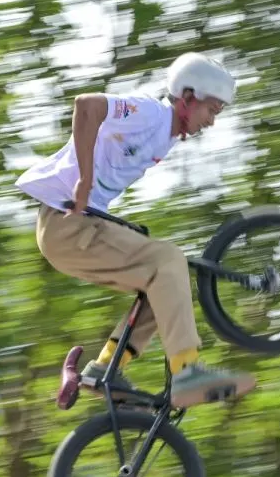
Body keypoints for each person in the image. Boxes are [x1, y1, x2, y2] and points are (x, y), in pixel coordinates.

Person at [16, 52, 257, 408]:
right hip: (67, 223)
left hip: (74, 230)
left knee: (165, 285)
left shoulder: (167, 135)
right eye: (210, 110)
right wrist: (84, 179)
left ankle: (106, 368)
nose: (211, 121)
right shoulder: (151, 113)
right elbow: (86, 106)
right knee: (168, 260)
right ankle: (187, 372)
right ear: (187, 97)